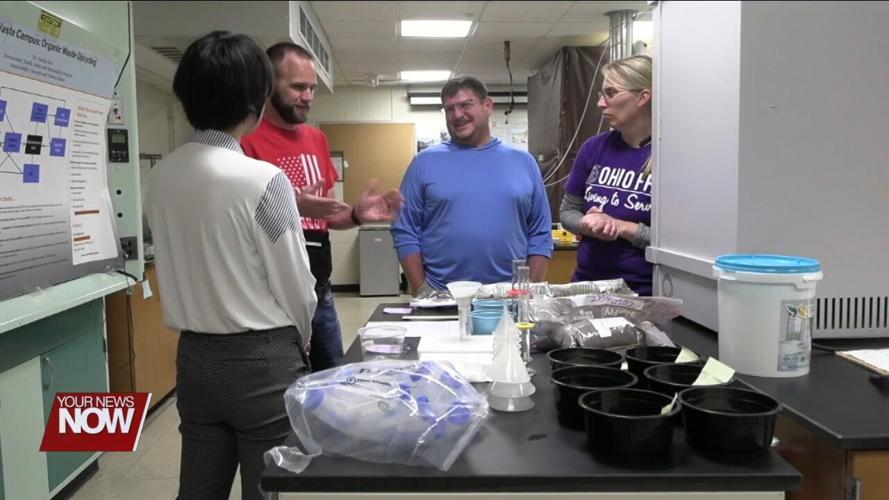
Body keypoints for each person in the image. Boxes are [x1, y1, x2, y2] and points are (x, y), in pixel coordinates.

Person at [145, 31, 316, 500]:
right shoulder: (264, 180)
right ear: (256, 101)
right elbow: (297, 285)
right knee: (268, 489)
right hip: (262, 362)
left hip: (195, 360)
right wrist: (301, 337)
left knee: (199, 489)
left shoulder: (159, 177)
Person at [241, 42, 403, 371]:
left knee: (330, 383)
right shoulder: (246, 140)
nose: (308, 96)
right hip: (271, 301)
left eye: (312, 88)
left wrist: (357, 214)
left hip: (320, 293)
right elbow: (240, 221)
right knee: (283, 391)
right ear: (269, 85)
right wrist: (293, 207)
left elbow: (325, 218)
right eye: (298, 87)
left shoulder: (317, 139)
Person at [391, 76, 552, 294]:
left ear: (487, 106)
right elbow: (404, 229)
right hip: (441, 294)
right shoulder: (424, 163)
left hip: (510, 294)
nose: (457, 115)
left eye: (466, 105)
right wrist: (421, 289)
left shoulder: (524, 162)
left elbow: (540, 231)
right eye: (449, 109)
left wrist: (530, 287)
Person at [559, 55, 654, 295]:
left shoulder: (672, 157)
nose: (601, 103)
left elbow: (679, 244)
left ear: (643, 97)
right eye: (601, 95)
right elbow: (568, 210)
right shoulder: (593, 148)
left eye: (610, 93)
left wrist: (621, 227)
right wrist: (587, 225)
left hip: (642, 292)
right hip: (587, 286)